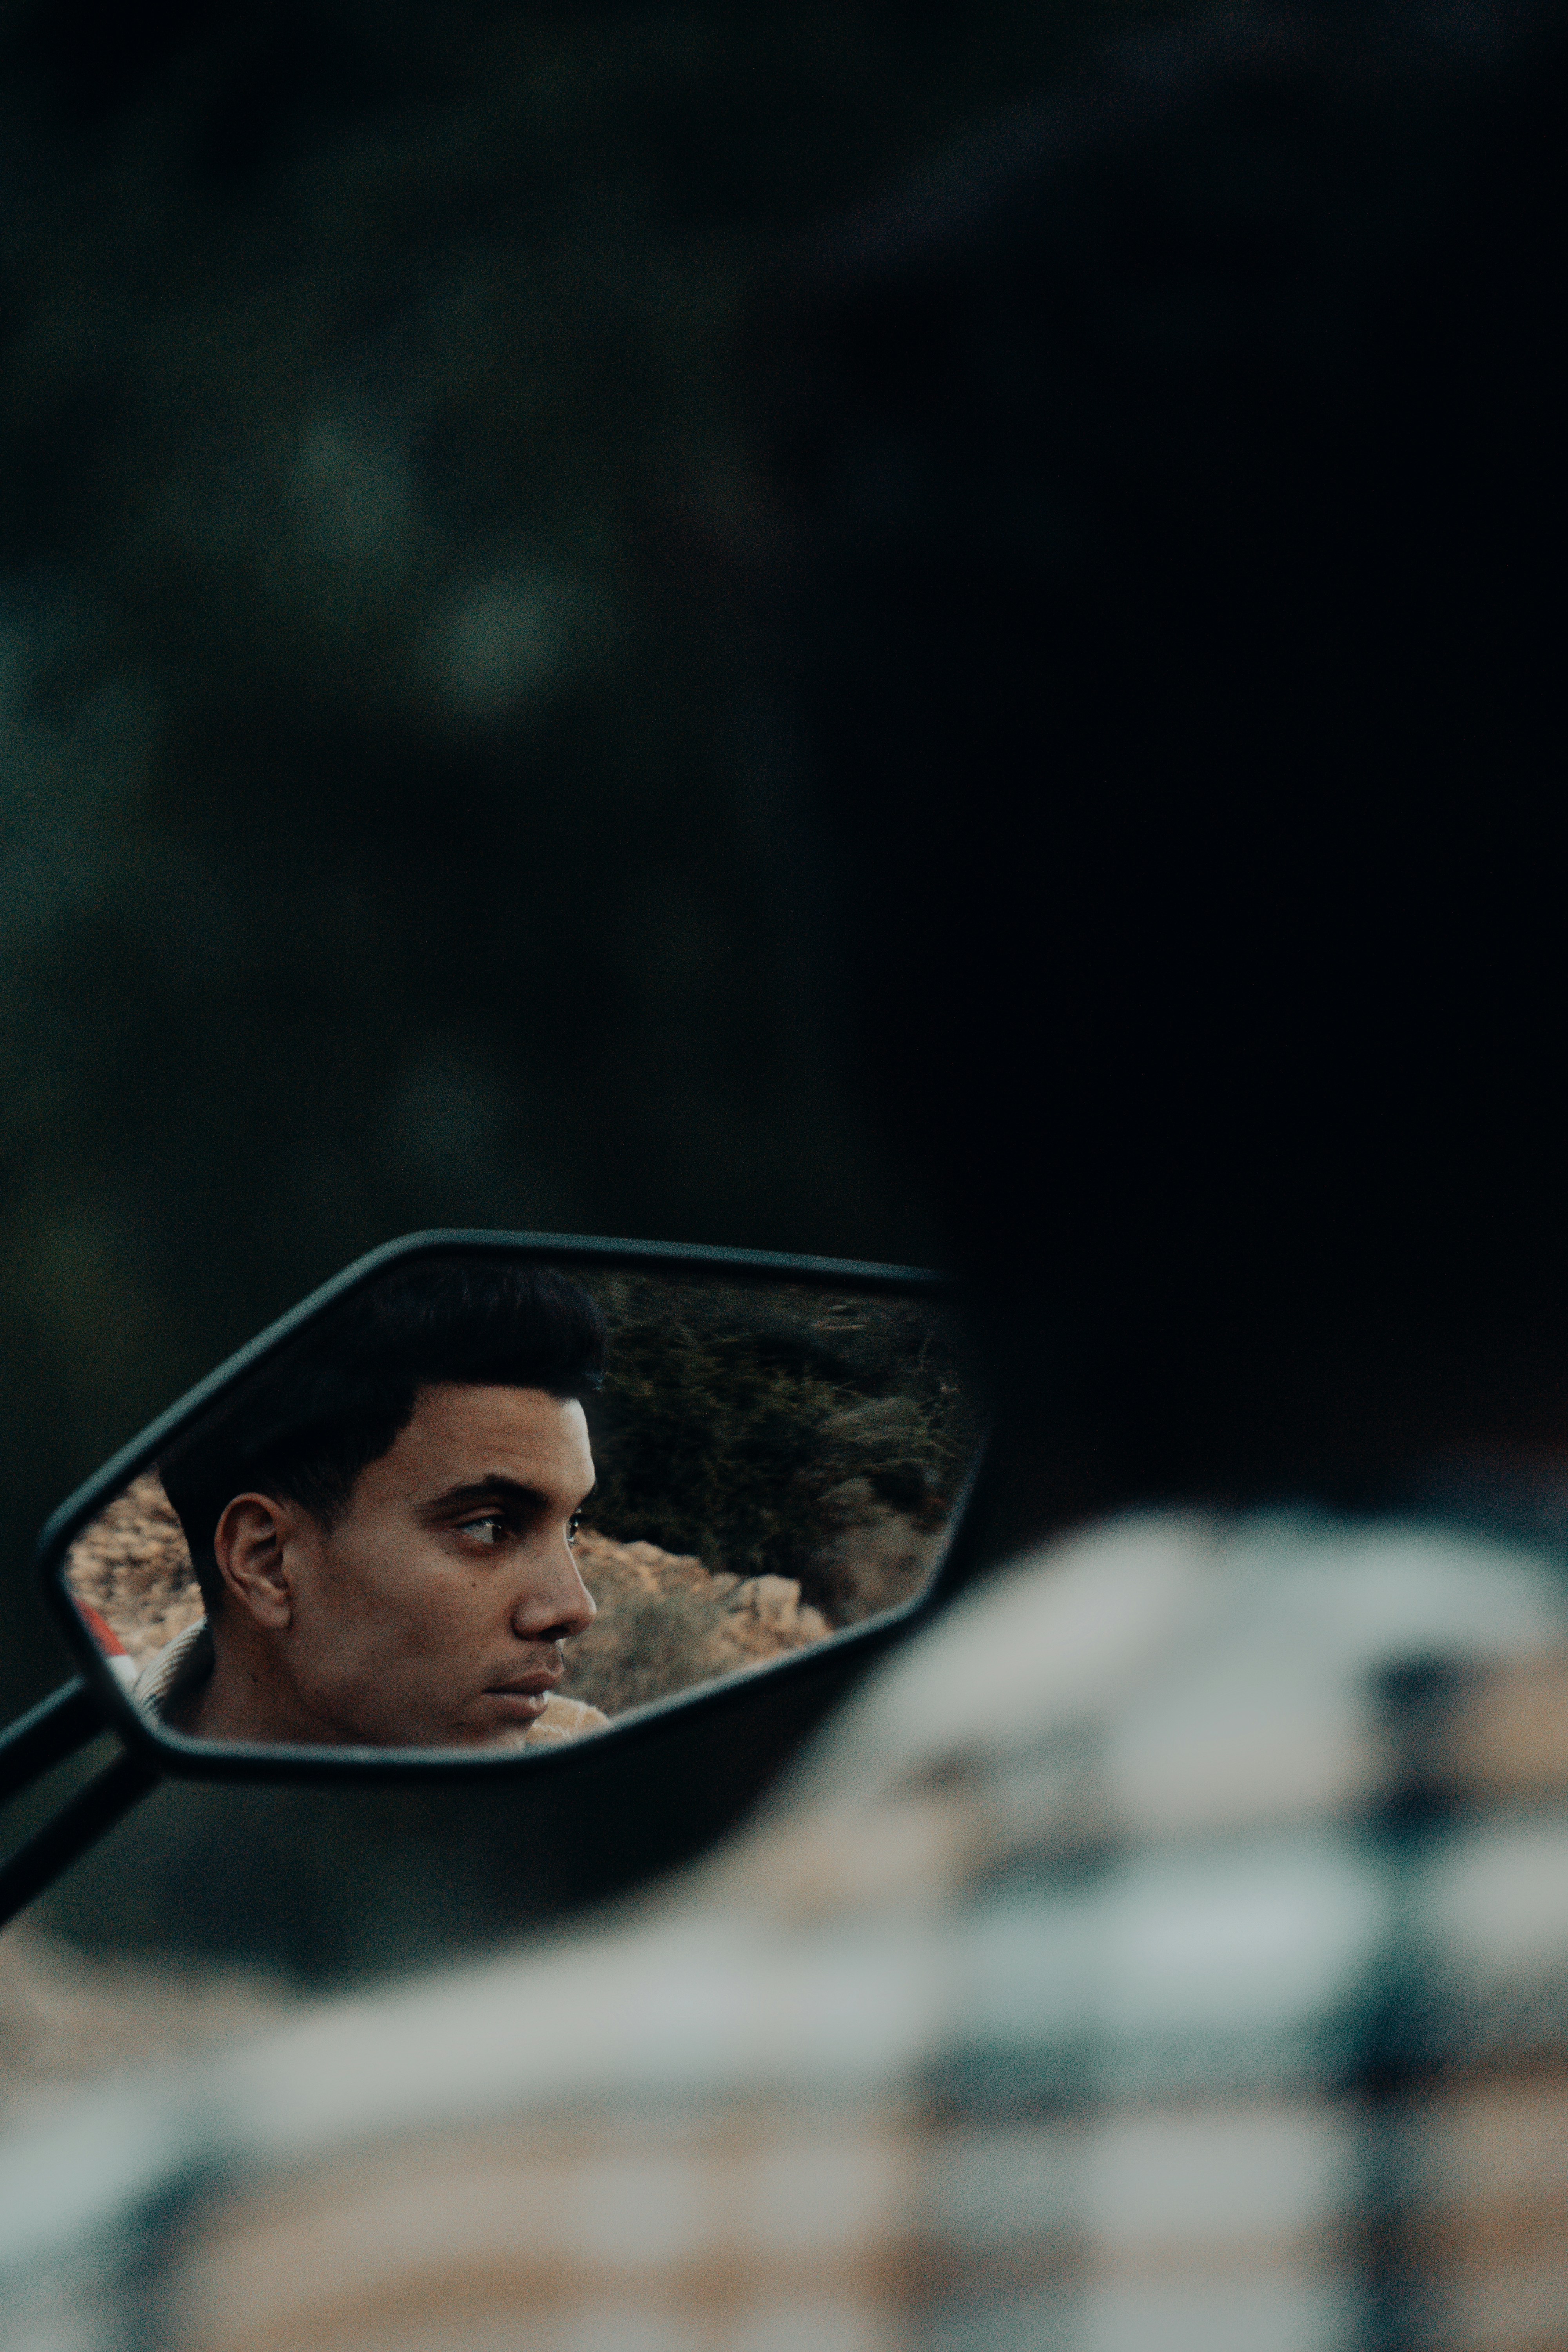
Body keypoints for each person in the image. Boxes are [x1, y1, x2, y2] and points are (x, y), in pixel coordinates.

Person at [3, 4, 1567, 2347]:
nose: (558, 1607)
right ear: (253, 1559)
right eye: (489, 1521)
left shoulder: (158, 2265)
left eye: (566, 1521)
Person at [149, 1261, 609, 1748]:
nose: (576, 1608)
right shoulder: (82, 1795)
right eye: (488, 1528)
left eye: (572, 1527)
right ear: (268, 1563)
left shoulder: (590, 1766)